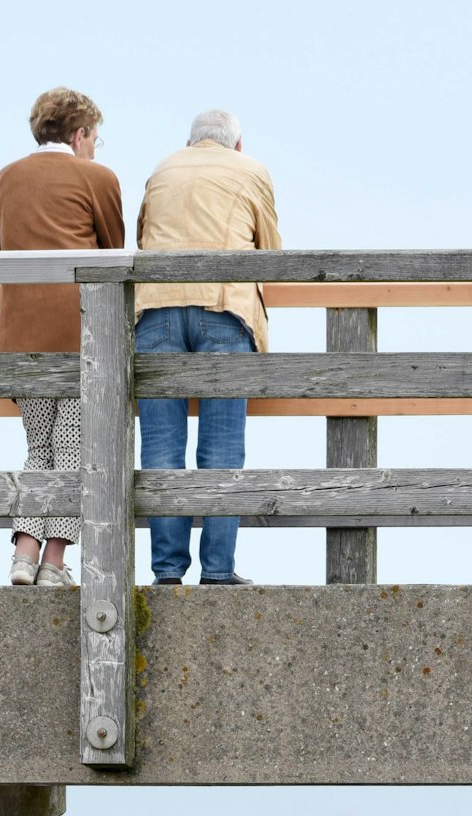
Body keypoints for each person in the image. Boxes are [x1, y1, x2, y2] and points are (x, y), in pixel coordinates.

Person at [132, 108, 281, 586]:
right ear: (236, 144)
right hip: (223, 308)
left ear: (190, 142)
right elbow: (273, 255)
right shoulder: (251, 170)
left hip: (155, 311)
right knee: (221, 446)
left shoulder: (161, 169)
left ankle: (167, 571)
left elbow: (141, 238)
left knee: (160, 447)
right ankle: (217, 570)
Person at [0, 86, 125, 589]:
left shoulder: (6, 179)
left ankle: (23, 557)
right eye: (95, 136)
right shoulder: (97, 177)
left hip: (19, 335)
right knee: (72, 450)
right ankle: (53, 563)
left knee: (37, 447)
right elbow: (114, 256)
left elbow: (0, 248)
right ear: (79, 132)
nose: (95, 146)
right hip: (78, 333)